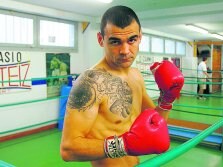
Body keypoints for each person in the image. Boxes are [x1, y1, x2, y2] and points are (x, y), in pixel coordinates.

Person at [60, 5, 184, 167]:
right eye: (115, 41)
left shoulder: (136, 76)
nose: (125, 50)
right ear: (100, 39)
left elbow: (156, 122)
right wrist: (124, 144)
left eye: (131, 40)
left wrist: (167, 99)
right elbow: (68, 150)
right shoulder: (91, 82)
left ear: (140, 37)